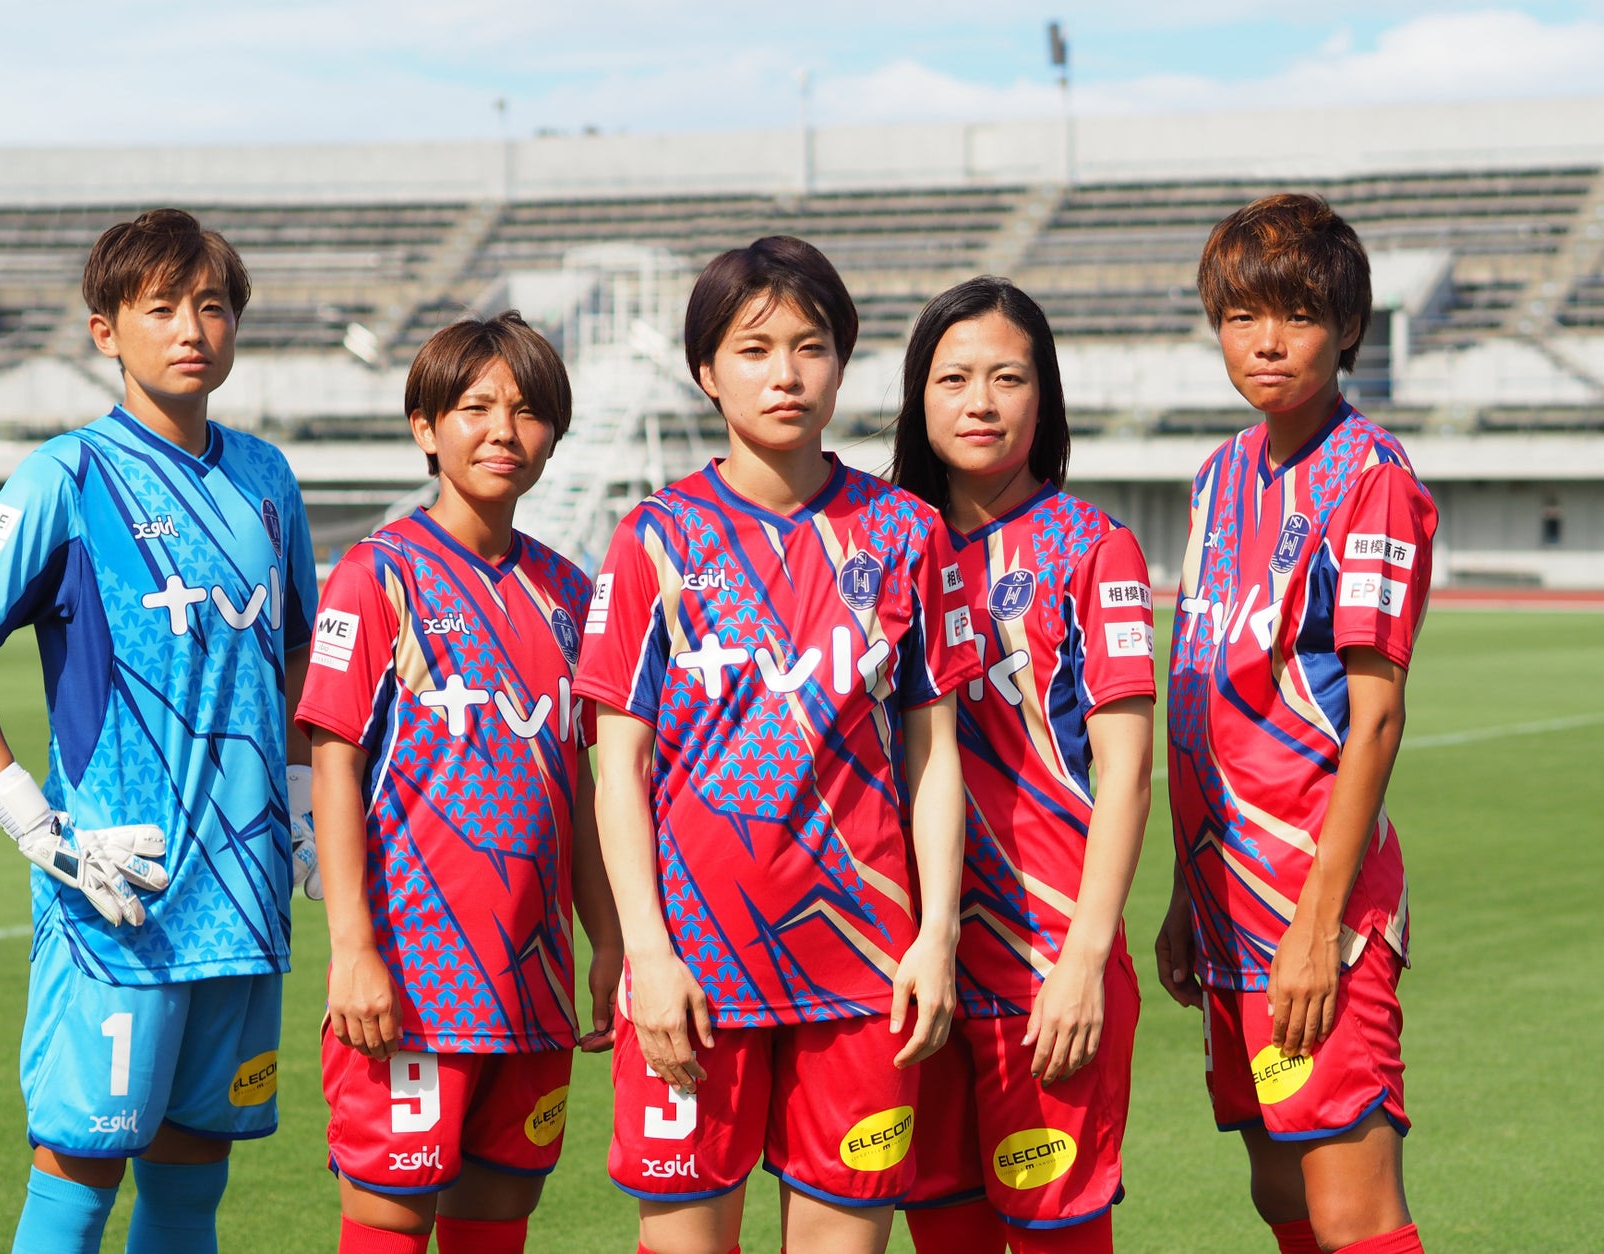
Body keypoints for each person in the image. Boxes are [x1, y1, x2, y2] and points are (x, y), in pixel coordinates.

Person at [0, 208, 319, 1254]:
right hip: (118, 893)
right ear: (106, 331)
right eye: (161, 308)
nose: (191, 330)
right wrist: (33, 825)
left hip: (244, 896)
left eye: (213, 307)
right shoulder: (70, 476)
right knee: (79, 1171)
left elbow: (297, 658)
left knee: (191, 1182)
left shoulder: (267, 480)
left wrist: (307, 804)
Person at [574, 235, 982, 1254]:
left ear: (843, 361)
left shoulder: (906, 534)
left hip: (863, 973)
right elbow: (618, 769)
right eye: (754, 350)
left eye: (811, 346)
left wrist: (935, 935)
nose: (786, 374)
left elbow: (934, 755)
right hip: (693, 973)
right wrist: (646, 954)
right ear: (706, 372)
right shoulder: (653, 539)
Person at [294, 312, 623, 1254]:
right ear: (426, 427)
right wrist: (353, 950)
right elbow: (335, 766)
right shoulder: (377, 576)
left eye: (527, 411)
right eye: (475, 408)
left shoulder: (570, 593)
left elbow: (580, 786)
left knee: (498, 1227)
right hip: (411, 987)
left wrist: (607, 940)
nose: (502, 432)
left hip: (535, 988)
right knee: (390, 1226)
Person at [1156, 194, 1438, 1254]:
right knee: (1280, 1189)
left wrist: (1319, 930)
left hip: (1318, 909)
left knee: (1352, 1213)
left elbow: (1377, 717)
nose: (1267, 342)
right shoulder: (1217, 476)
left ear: (1348, 327)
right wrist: (1184, 893)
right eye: (1242, 317)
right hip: (1226, 905)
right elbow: (1204, 699)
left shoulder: (1372, 481)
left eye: (1299, 315)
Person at [889, 278, 1156, 1254]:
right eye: (953, 378)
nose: (981, 402)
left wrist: (1086, 958)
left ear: (1045, 397)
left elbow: (1128, 774)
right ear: (919, 398)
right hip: (909, 964)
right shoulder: (882, 550)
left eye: (1008, 377)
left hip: (1045, 962)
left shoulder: (1095, 550)